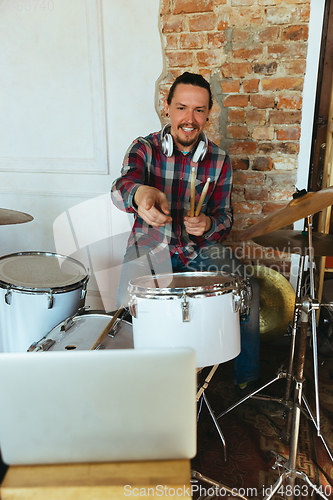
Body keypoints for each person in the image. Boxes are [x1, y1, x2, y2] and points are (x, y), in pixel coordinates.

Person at [111, 71, 260, 390]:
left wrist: (209, 224)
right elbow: (120, 188)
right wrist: (141, 195)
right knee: (125, 303)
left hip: (200, 248)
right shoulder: (144, 148)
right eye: (181, 107)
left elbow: (225, 217)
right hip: (149, 245)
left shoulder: (219, 160)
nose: (189, 118)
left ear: (208, 113)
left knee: (247, 290)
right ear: (167, 107)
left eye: (199, 110)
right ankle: (133, 385)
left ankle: (245, 379)